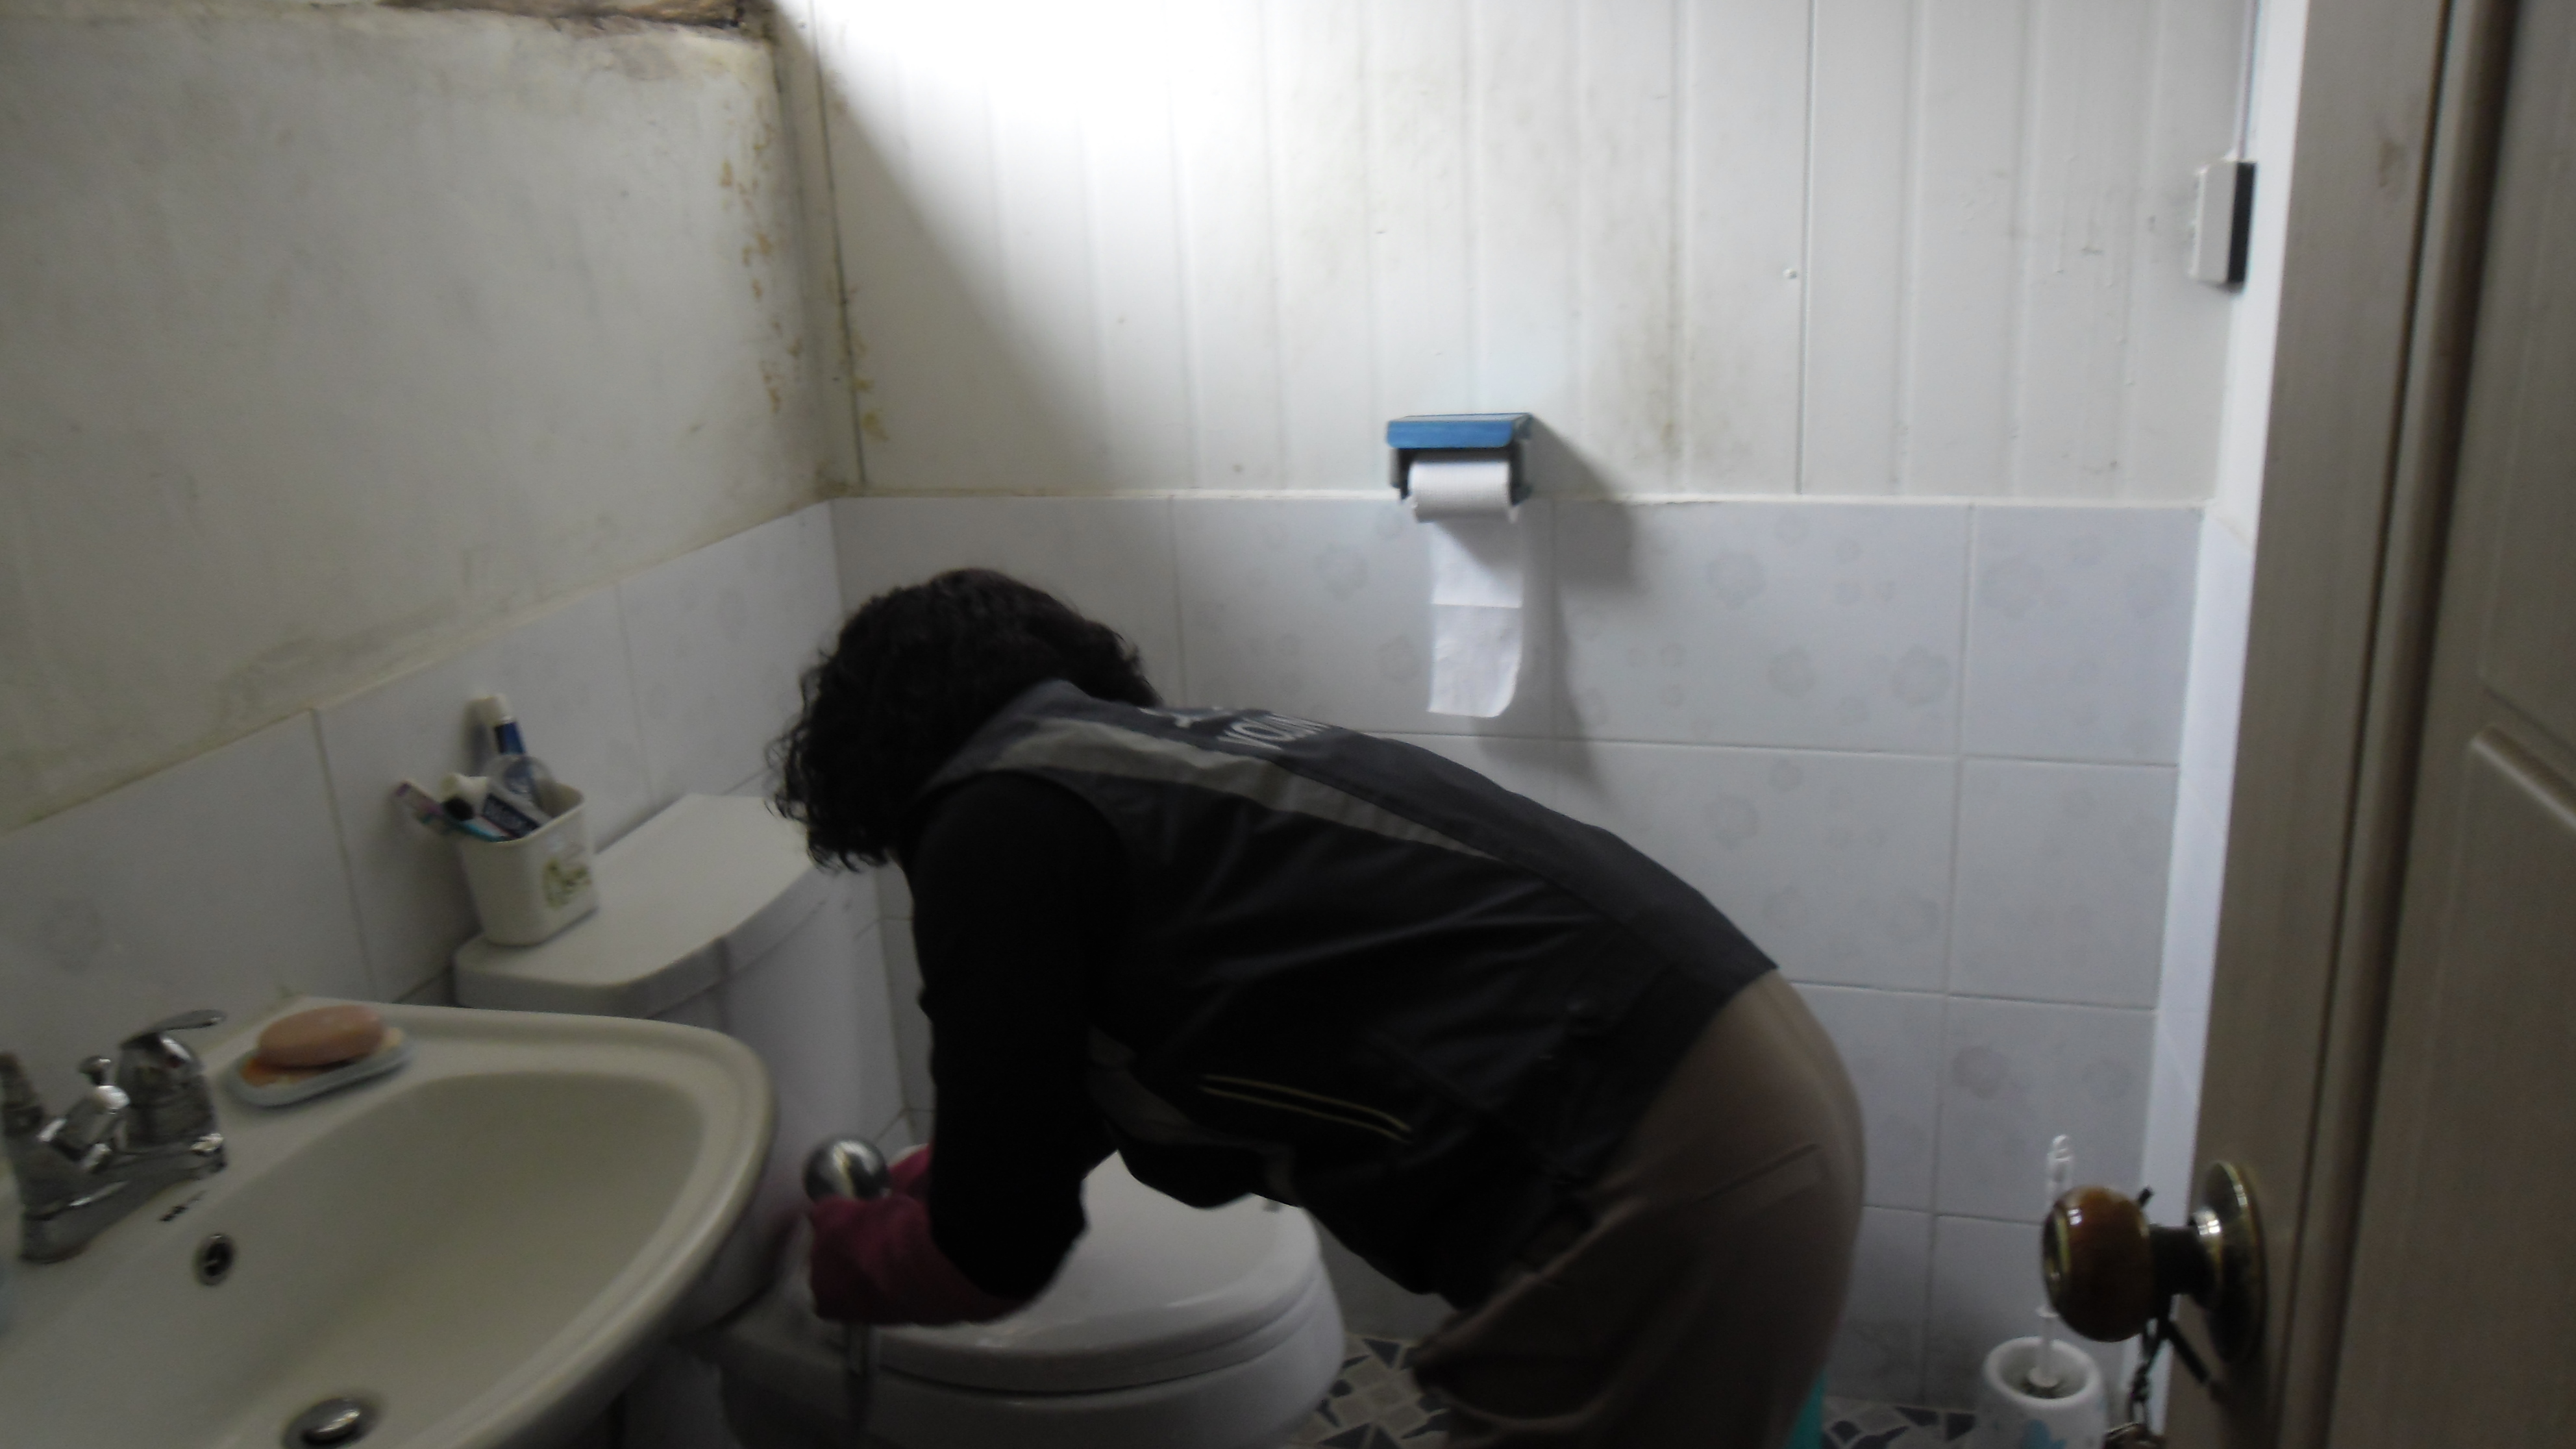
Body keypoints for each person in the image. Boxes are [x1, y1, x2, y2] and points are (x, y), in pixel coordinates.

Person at [772, 568, 1863, 1449]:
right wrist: (950, 1170)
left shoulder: (989, 821)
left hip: (1658, 1175)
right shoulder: (1159, 767)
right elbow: (1071, 1090)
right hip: (1751, 1073)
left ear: (880, 762)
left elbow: (994, 1251)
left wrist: (824, 1267)